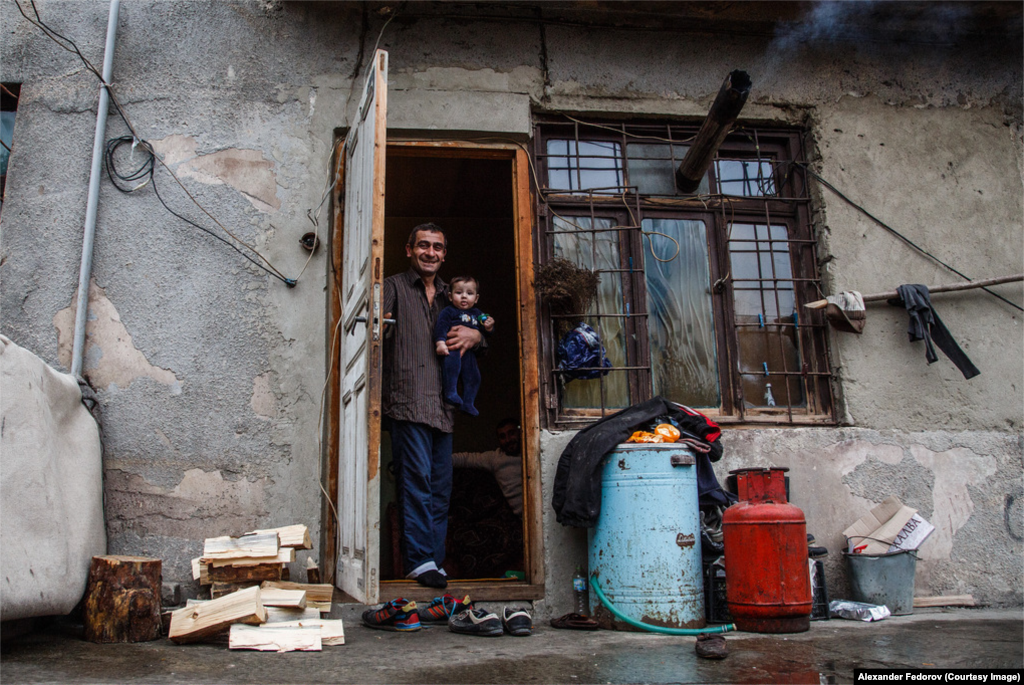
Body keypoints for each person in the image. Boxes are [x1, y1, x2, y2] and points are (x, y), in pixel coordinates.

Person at [381, 223, 483, 589]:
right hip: (407, 400)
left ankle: (433, 562)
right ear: (409, 249)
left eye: (437, 247)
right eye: (423, 245)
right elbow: (374, 332)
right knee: (416, 483)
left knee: (441, 487)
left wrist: (477, 334)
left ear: (444, 254)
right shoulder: (392, 287)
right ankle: (418, 560)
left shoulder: (451, 294)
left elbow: (477, 327)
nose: (430, 252)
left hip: (443, 407)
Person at [434, 275, 494, 417]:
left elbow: (487, 335)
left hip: (469, 353)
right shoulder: (449, 311)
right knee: (452, 369)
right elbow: (441, 326)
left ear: (476, 298)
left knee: (474, 376)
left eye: (469, 293)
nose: (464, 297)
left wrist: (489, 327)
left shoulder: (477, 314)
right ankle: (451, 392)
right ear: (450, 296)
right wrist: (440, 342)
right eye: (459, 293)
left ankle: (468, 402)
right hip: (452, 348)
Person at [451, 418, 523, 516]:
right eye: (502, 437)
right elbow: (465, 459)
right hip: (522, 519)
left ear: (520, 432)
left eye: (511, 433)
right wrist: (433, 460)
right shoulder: (495, 458)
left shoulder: (532, 453)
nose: (508, 440)